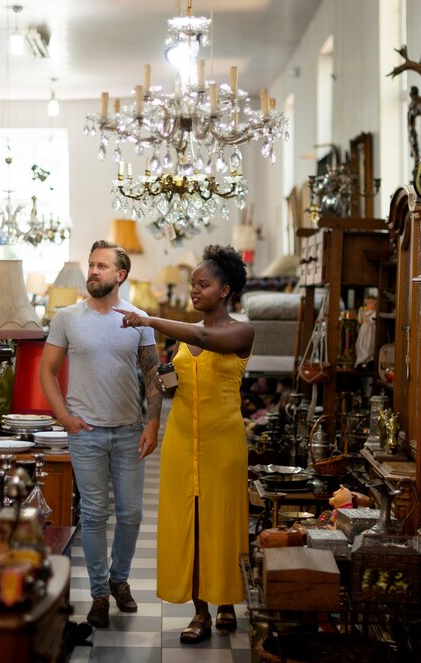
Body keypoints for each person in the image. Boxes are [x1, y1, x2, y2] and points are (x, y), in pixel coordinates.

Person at [115, 244, 254, 645]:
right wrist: (162, 381)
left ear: (225, 290)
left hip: (223, 441)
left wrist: (149, 318)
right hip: (182, 439)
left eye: (203, 284)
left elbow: (202, 336)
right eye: (192, 284)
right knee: (188, 524)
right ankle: (200, 612)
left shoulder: (241, 332)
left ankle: (226, 599)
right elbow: (173, 382)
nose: (195, 290)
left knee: (222, 522)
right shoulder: (180, 343)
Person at [39, 240, 161, 629]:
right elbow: (47, 371)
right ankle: (99, 594)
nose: (93, 271)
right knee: (93, 514)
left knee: (131, 513)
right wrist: (64, 417)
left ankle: (120, 578)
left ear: (120, 275)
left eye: (102, 266)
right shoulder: (67, 318)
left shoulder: (139, 320)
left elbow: (154, 378)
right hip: (85, 433)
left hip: (128, 431)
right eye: (92, 265)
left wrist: (154, 423)